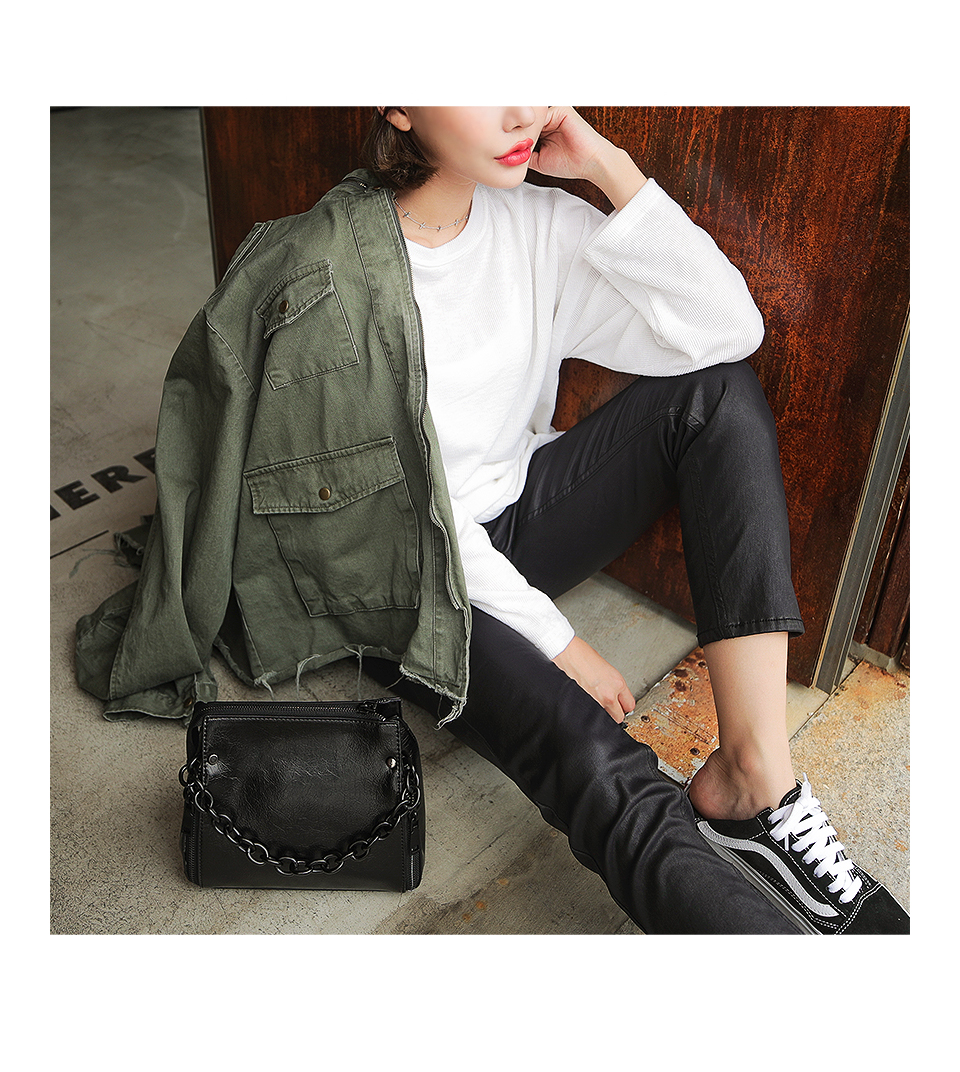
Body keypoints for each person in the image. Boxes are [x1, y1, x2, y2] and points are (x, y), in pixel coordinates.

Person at [76, 105, 908, 934]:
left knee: (718, 396)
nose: (519, 109)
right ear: (399, 103)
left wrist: (608, 164)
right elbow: (402, 526)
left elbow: (726, 330)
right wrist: (557, 641)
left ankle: (754, 778)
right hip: (400, 583)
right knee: (590, 757)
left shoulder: (539, 225)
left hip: (508, 522)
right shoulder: (330, 277)